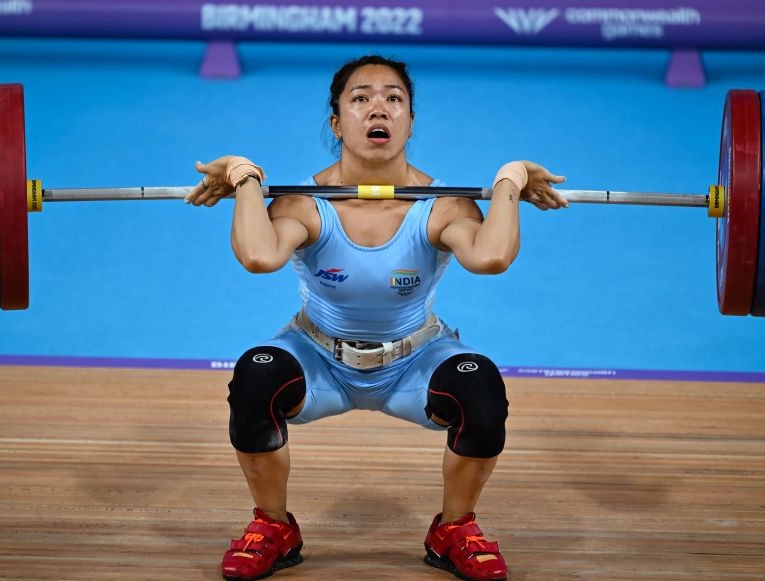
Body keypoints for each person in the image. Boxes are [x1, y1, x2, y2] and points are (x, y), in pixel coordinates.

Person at [186, 55, 567, 581]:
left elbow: (491, 258)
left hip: (414, 360)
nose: (377, 108)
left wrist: (510, 179)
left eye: (393, 98)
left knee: (481, 389)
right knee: (257, 374)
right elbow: (259, 257)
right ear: (338, 122)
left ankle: (454, 529)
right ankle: (273, 527)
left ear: (409, 121)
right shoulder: (304, 202)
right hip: (319, 356)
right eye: (360, 98)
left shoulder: (442, 206)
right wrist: (245, 175)